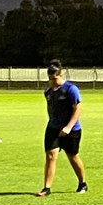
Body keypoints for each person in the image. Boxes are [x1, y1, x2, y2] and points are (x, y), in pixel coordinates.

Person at [36, 61, 87, 196]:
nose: (52, 82)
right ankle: (46, 187)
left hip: (71, 129)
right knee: (51, 155)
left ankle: (82, 183)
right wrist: (53, 122)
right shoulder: (48, 92)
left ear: (61, 75)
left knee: (73, 156)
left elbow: (77, 108)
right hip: (53, 128)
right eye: (50, 79)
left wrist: (69, 127)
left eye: (55, 78)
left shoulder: (71, 89)